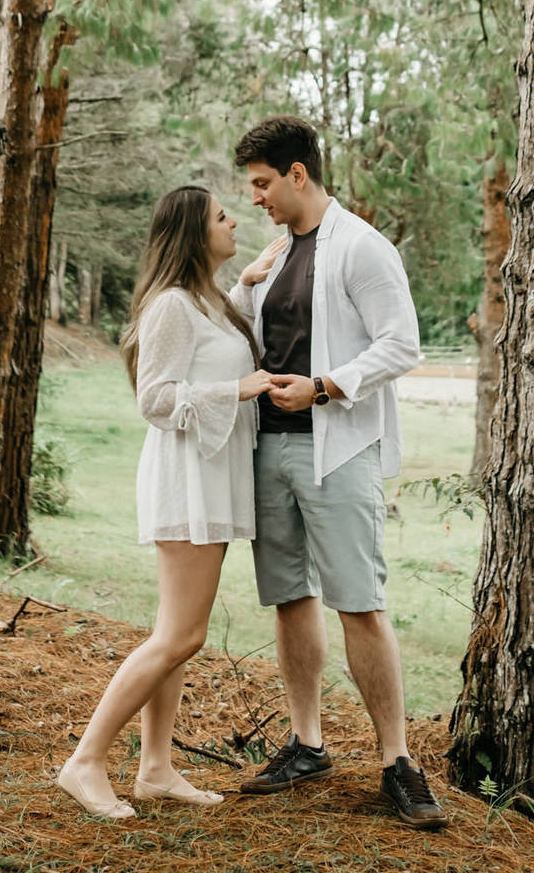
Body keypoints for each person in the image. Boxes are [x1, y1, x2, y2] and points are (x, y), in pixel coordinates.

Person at [227, 116, 446, 831]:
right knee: (291, 596)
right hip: (270, 449)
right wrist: (244, 282)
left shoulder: (361, 247)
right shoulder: (275, 251)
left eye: (262, 184)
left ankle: (397, 762)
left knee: (359, 601)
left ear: (298, 174)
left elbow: (402, 345)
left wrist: (324, 385)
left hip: (339, 448)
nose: (254, 198)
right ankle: (307, 742)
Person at [54, 185, 279, 821]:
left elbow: (208, 346)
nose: (234, 219)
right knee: (182, 635)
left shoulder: (206, 301)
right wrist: (238, 390)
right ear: (190, 233)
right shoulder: (171, 306)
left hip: (208, 476)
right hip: (188, 480)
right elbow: (154, 398)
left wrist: (245, 285)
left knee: (175, 635)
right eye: (220, 216)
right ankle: (86, 760)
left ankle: (154, 769)